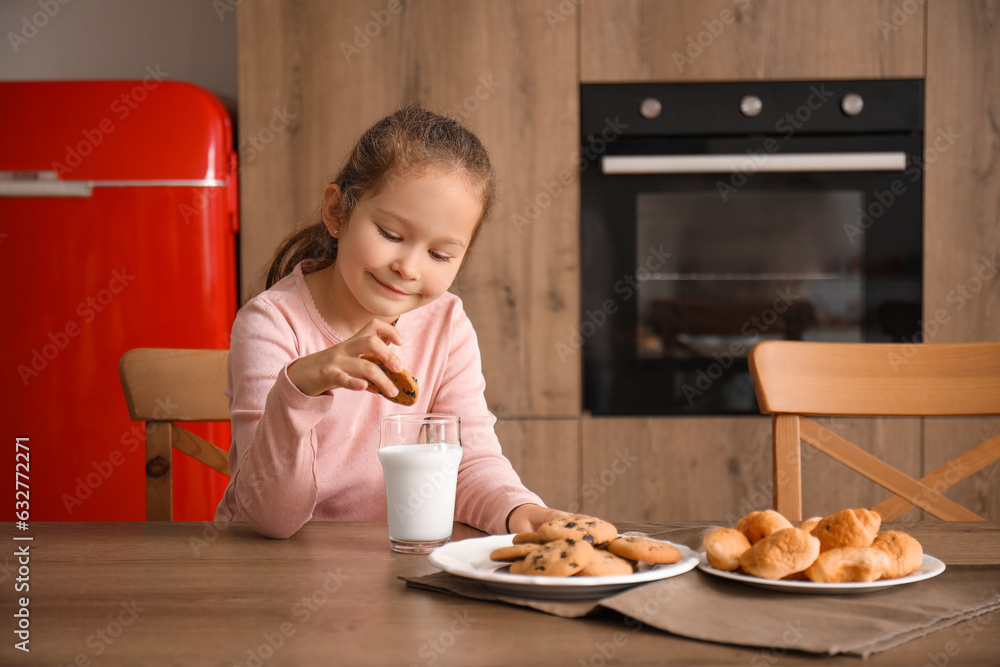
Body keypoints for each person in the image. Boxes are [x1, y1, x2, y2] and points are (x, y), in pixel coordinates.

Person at [215, 104, 569, 539]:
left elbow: (468, 462)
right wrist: (298, 389)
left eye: (440, 255)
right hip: (268, 570)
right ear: (337, 212)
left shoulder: (446, 324)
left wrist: (519, 511)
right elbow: (273, 519)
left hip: (380, 563)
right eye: (391, 235)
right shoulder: (270, 323)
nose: (409, 267)